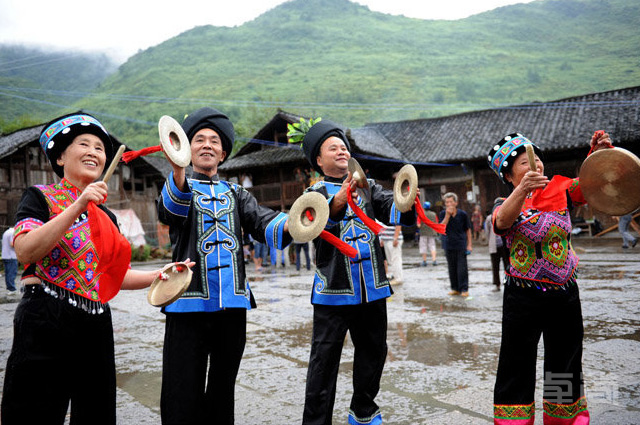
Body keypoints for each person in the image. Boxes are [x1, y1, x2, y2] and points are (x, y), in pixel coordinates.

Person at [1, 112, 182, 425]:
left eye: (100, 148)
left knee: (95, 412)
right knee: (33, 411)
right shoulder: (40, 197)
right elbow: (26, 250)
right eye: (83, 144)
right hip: (45, 317)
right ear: (60, 157)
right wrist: (78, 205)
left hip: (95, 322)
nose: (94, 152)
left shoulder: (106, 218)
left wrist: (160, 275)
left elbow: (112, 275)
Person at [156, 107, 290, 425]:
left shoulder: (237, 193)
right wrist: (177, 171)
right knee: (181, 389)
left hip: (232, 306)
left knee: (222, 388)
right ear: (186, 149)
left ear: (223, 152)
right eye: (198, 140)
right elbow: (168, 214)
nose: (206, 145)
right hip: (187, 303)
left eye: (213, 141)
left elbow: (264, 222)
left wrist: (299, 220)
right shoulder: (180, 187)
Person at [295, 119, 415, 425]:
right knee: (323, 363)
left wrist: (406, 192)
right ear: (319, 160)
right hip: (332, 290)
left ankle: (363, 410)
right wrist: (337, 200)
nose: (341, 150)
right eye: (332, 147)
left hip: (372, 287)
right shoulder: (313, 194)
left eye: (344, 146)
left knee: (374, 353)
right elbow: (312, 227)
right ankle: (316, 421)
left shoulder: (369, 187)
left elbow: (395, 209)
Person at [489, 131, 612, 424]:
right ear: (509, 175)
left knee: (564, 361)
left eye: (536, 158)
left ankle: (564, 418)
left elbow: (592, 186)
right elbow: (501, 222)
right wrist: (522, 192)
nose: (536, 164)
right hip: (522, 296)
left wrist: (599, 156)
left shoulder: (561, 188)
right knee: (516, 362)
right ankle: (514, 420)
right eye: (522, 162)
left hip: (564, 293)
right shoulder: (504, 201)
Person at [439, 192, 472, 297]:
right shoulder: (442, 214)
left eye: (451, 202)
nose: (449, 204)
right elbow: (441, 227)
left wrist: (469, 244)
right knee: (451, 268)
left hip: (461, 244)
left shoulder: (462, 214)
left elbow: (468, 230)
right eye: (446, 202)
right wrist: (447, 216)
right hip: (448, 244)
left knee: (462, 268)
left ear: (456, 203)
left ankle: (464, 289)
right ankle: (455, 288)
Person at [484, 207, 508, 291]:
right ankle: (497, 284)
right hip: (494, 246)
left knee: (507, 266)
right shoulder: (489, 218)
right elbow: (487, 231)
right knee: (495, 266)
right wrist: (489, 241)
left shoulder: (506, 216)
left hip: (504, 245)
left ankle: (507, 283)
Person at [418, 201, 438, 267]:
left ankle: (424, 261)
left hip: (423, 233)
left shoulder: (421, 214)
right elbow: (436, 223)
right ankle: (434, 260)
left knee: (423, 246)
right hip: (432, 233)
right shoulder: (434, 214)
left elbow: (418, 225)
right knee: (432, 246)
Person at [1, 226, 17, 293]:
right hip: (11, 256)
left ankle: (9, 288)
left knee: (7, 273)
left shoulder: (6, 232)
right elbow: (12, 244)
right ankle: (12, 289)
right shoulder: (13, 232)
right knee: (12, 273)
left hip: (5, 255)